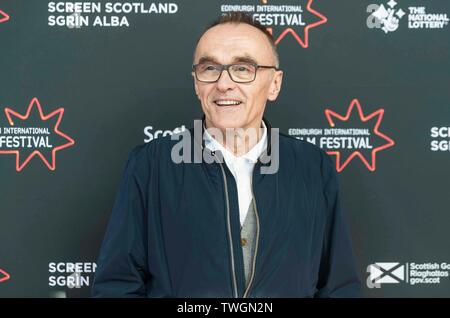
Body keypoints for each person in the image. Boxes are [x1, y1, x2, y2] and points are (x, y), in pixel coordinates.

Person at [92, 12, 360, 298]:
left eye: (243, 69)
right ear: (196, 83)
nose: (223, 84)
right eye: (210, 69)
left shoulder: (312, 166)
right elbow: (117, 286)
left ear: (274, 84)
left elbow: (338, 287)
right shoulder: (151, 165)